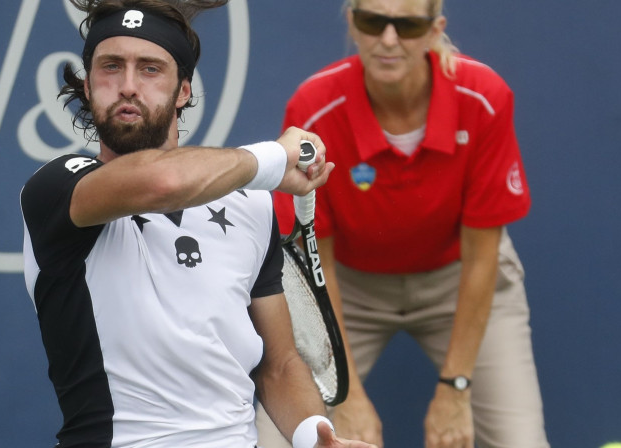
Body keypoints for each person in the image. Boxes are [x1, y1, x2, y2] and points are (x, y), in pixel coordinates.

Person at [20, 1, 379, 447]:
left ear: (184, 90)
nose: (128, 86)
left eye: (150, 69)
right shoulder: (57, 189)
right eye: (111, 67)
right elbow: (163, 181)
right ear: (90, 85)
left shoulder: (251, 206)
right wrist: (273, 158)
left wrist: (316, 437)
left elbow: (280, 363)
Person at [255, 1, 549, 447]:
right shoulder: (314, 107)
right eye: (374, 21)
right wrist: (347, 396)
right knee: (273, 439)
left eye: (409, 26)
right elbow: (318, 261)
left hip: (459, 280)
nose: (389, 40)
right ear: (353, 23)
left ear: (436, 30)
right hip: (346, 290)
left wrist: (456, 388)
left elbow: (482, 256)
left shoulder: (483, 96)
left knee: (520, 442)